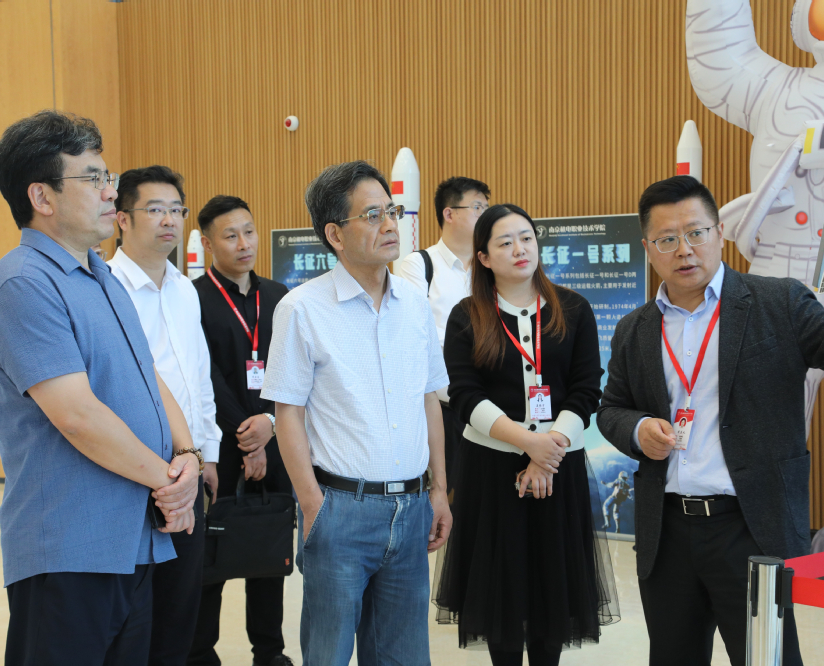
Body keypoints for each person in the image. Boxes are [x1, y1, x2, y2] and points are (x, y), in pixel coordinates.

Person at [597, 175, 824, 666]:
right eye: (667, 239)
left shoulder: (778, 301)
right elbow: (611, 408)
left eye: (696, 233)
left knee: (768, 659)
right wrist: (637, 429)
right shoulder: (635, 328)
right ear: (648, 248)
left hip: (751, 526)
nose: (684, 249)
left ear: (719, 233)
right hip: (667, 532)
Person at [0, 111, 201, 666]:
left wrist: (187, 454)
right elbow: (76, 415)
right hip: (69, 548)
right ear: (42, 196)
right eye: (94, 178)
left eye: (110, 176)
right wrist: (170, 484)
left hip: (133, 540)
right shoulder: (24, 281)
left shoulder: (102, 276)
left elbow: (149, 377)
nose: (110, 192)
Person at [261, 161, 452, 666]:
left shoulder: (414, 303)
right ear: (334, 234)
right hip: (339, 509)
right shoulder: (302, 308)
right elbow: (287, 413)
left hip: (412, 508)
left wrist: (438, 490)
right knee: (328, 654)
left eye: (392, 211)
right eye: (372, 215)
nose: (389, 225)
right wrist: (312, 505)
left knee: (403, 657)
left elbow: (429, 399)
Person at [434, 203, 619, 666]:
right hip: (492, 471)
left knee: (551, 591)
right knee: (501, 593)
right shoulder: (466, 315)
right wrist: (527, 442)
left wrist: (546, 450)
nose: (520, 249)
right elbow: (464, 394)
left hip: (559, 467)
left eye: (527, 238)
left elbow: (586, 387)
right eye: (505, 242)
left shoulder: (573, 308)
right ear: (483, 258)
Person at [106, 165, 222, 666]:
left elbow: (198, 377)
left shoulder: (184, 289)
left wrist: (208, 452)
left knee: (179, 615)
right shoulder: (106, 287)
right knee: (133, 621)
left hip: (189, 469)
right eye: (155, 209)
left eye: (177, 210)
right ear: (121, 219)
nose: (170, 220)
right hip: (135, 474)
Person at [189, 195, 294, 666]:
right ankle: (199, 654)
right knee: (209, 555)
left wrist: (268, 424)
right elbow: (204, 375)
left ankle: (269, 654)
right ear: (208, 243)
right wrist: (245, 435)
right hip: (218, 446)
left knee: (269, 551)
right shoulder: (192, 297)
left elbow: (293, 367)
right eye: (230, 236)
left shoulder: (279, 296)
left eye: (248, 232)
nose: (244, 243)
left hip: (276, 438)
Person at [397, 177, 491, 492]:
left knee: (484, 498)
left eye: (487, 207)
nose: (485, 215)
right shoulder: (419, 265)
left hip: (492, 405)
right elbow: (419, 336)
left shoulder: (491, 268)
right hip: (444, 408)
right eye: (477, 207)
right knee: (441, 495)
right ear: (449, 214)